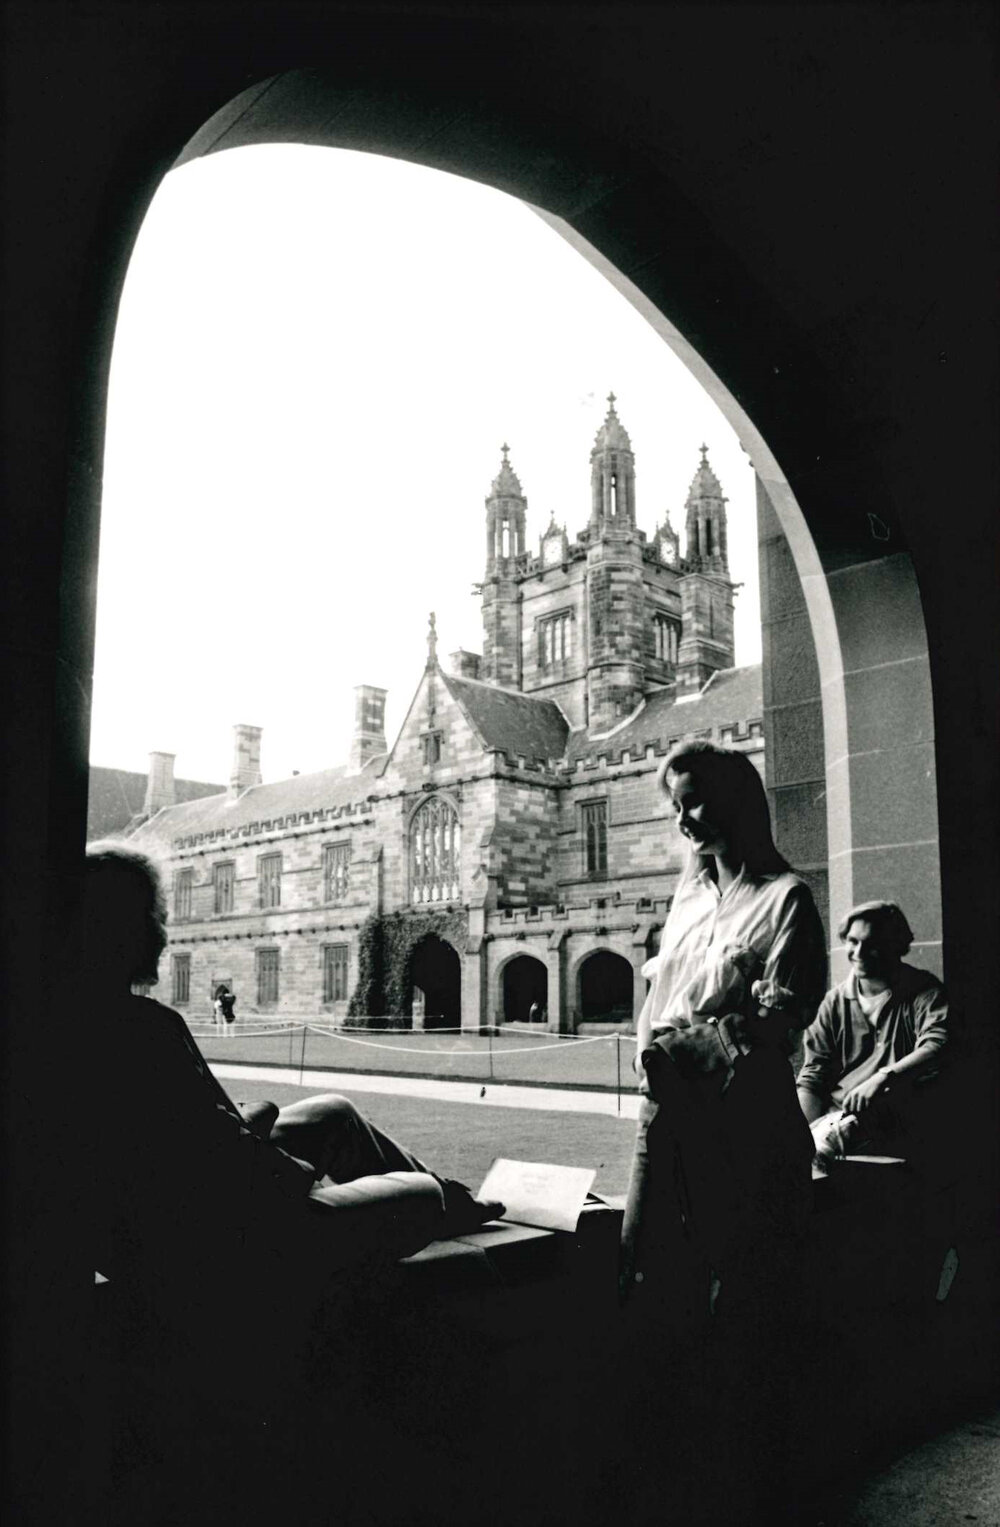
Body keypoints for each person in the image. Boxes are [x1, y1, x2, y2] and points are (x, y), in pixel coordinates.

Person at [83, 842, 503, 1350]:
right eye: (157, 916)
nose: (166, 934)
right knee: (420, 1197)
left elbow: (195, 1137)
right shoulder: (145, 1026)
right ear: (122, 926)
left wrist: (249, 1125)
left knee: (332, 1112)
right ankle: (446, 1202)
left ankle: (457, 1201)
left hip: (171, 1217)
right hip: (216, 1244)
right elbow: (233, 1168)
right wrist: (297, 1173)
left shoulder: (78, 1013)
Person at [796, 900, 950, 1169]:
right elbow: (813, 1077)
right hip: (837, 1125)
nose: (859, 952)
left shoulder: (923, 991)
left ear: (895, 946)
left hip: (898, 1124)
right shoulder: (834, 1003)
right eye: (853, 941)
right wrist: (796, 1135)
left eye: (872, 944)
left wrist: (883, 1077)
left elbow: (937, 1044)